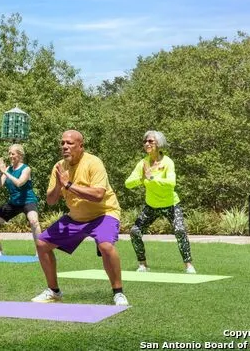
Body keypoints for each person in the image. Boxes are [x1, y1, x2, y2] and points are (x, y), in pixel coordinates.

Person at [32, 130, 128, 306]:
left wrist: (68, 184)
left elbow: (98, 195)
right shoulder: (59, 167)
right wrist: (59, 185)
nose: (64, 146)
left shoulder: (93, 162)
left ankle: (118, 293)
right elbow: (51, 201)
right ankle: (54, 291)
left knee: (106, 246)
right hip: (76, 217)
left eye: (69, 143)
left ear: (81, 146)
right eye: (62, 143)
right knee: (42, 244)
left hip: (104, 213)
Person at [125, 130, 196, 274]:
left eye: (150, 141)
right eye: (145, 141)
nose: (147, 144)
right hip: (151, 205)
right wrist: (142, 178)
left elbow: (171, 183)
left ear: (159, 143)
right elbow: (128, 183)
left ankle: (189, 266)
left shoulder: (167, 162)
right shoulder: (143, 163)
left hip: (171, 204)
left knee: (180, 230)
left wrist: (152, 178)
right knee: (135, 232)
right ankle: (143, 265)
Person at [0, 144, 41, 256]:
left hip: (28, 201)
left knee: (34, 221)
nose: (10, 156)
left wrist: (5, 172)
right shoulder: (8, 169)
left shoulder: (26, 169)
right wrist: (0, 173)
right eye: (9, 153)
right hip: (14, 203)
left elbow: (19, 183)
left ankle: (40, 251)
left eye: (13, 154)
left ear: (20, 155)